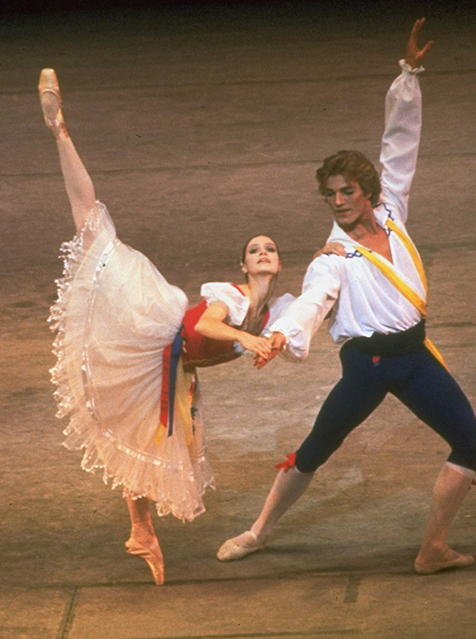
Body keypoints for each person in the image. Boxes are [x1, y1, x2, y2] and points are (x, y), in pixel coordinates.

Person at [217, 18, 476, 575]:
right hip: (367, 365)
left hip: (414, 357)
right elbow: (314, 301)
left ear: (369, 192)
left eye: (347, 191)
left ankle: (432, 549)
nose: (338, 201)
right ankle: (260, 529)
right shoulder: (333, 258)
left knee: (472, 441)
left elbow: (400, 148)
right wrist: (278, 335)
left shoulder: (393, 216)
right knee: (318, 447)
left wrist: (409, 75)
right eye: (330, 195)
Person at [39, 69, 293, 585]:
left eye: (270, 248)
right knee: (94, 231)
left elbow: (310, 316)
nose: (263, 253)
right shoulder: (234, 298)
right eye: (254, 250)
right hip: (155, 320)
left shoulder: (275, 310)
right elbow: (211, 325)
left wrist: (337, 254)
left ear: (280, 263)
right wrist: (248, 339)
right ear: (243, 266)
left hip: (177, 367)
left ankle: (141, 532)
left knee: (152, 444)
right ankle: (60, 131)